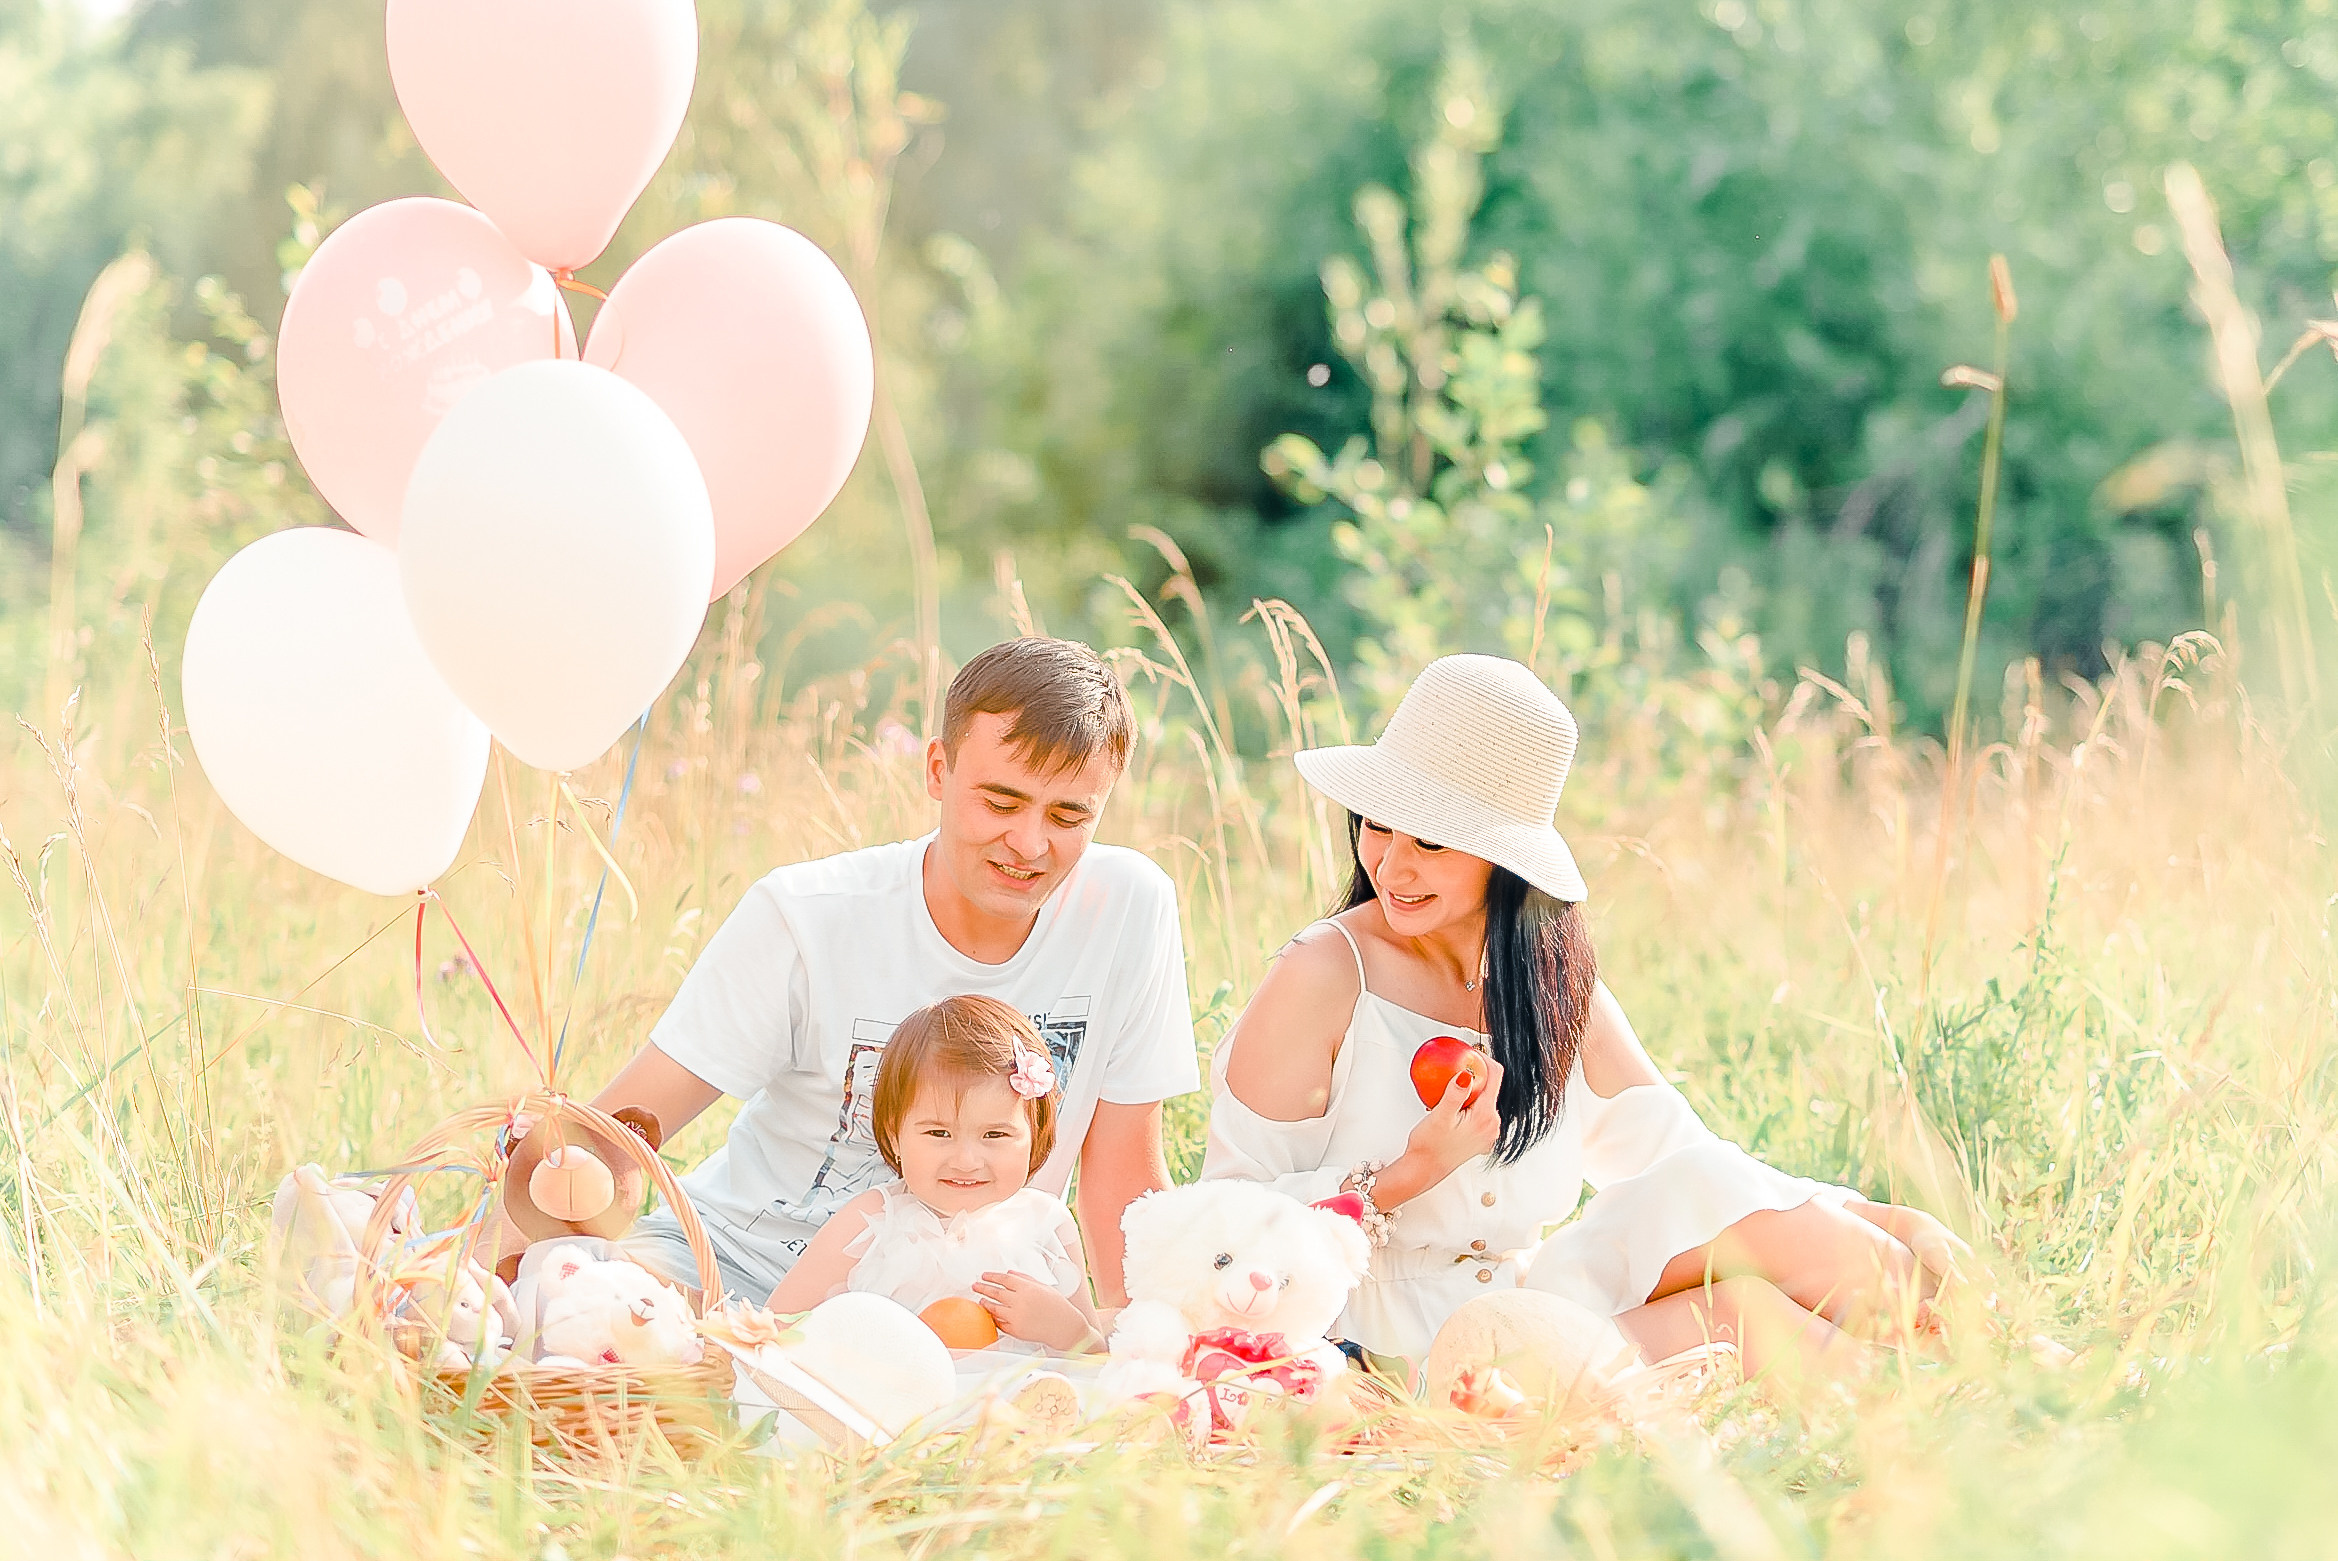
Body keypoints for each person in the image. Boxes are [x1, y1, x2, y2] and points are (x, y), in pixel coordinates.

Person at [1203, 654, 1969, 1382]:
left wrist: (1868, 1211)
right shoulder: (1323, 974)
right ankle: (1983, 1358)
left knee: (1740, 1300)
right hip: (1383, 1355)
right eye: (1376, 826)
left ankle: (1976, 1363)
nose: (1391, 867)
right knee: (1728, 1307)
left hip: (1537, 1311)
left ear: (1505, 859)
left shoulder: (1550, 986)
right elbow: (1219, 1235)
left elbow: (1690, 1166)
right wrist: (1407, 1175)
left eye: (1430, 842)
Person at [584, 637, 1199, 1307]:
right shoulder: (808, 915)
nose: (1029, 843)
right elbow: (615, 1133)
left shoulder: (1129, 907)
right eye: (1000, 802)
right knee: (588, 1310)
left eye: (1068, 814)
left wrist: (1147, 1355)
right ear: (938, 769)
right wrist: (489, 1267)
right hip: (735, 1270)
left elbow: (1123, 1182)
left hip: (966, 1304)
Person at [767, 995, 1102, 1352]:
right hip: (889, 1403)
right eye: (939, 1133)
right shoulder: (869, 1221)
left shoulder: (1048, 1224)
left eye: (995, 1135)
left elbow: (1101, 1364)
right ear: (895, 1134)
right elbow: (773, 1327)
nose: (967, 1160)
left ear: (1034, 1133)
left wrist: (1067, 1329)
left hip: (1020, 1404)